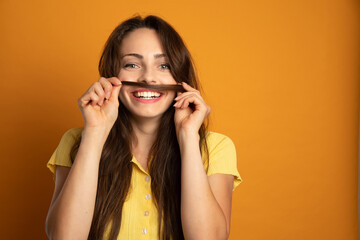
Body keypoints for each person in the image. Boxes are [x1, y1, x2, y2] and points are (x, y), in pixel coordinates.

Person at [45, 14, 242, 240]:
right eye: (132, 64)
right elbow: (64, 237)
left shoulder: (217, 147)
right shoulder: (76, 141)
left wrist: (188, 138)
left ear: (181, 77)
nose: (148, 78)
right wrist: (96, 132)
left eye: (164, 65)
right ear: (112, 76)